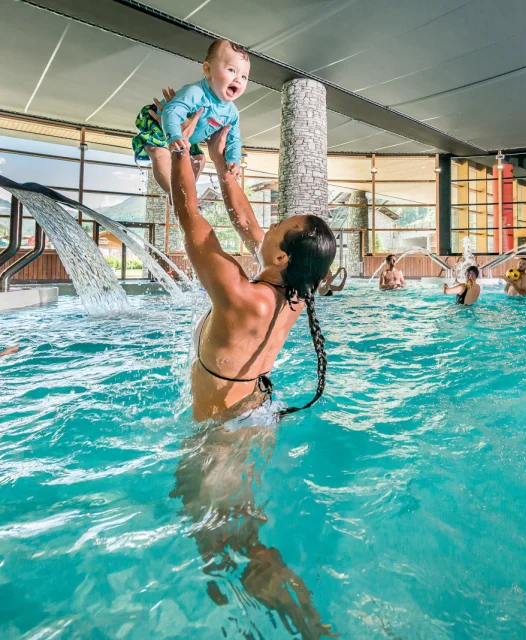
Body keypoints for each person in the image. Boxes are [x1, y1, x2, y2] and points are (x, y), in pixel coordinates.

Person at [169, 112, 337, 638]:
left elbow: (186, 212)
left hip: (225, 439)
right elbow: (244, 222)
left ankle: (314, 630)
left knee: (238, 540)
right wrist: (223, 167)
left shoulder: (241, 297)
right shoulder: (293, 292)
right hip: (257, 417)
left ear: (282, 252)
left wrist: (178, 147)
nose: (267, 226)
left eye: (279, 227)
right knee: (225, 535)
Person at [132, 39, 249, 194]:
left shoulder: (232, 113)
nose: (238, 79)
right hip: (162, 127)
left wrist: (233, 160)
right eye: (231, 70)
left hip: (187, 137)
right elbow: (171, 112)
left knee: (199, 160)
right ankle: (174, 195)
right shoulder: (196, 92)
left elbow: (234, 138)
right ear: (207, 70)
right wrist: (173, 136)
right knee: (160, 153)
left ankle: (187, 193)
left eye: (244, 76)